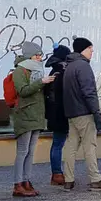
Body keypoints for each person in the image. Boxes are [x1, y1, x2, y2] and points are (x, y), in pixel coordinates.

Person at [61, 38, 101, 192]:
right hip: (84, 112)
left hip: (72, 112)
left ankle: (68, 179)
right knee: (89, 146)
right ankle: (95, 178)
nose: (92, 51)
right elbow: (89, 92)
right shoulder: (83, 67)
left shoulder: (69, 66)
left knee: (71, 146)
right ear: (83, 49)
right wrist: (96, 112)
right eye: (90, 48)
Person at [10, 41, 56, 198]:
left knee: (31, 151)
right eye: (37, 55)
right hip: (24, 115)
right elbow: (22, 91)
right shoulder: (20, 71)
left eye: (40, 55)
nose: (40, 58)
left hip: (36, 115)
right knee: (22, 151)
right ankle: (18, 184)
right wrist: (41, 82)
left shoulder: (37, 70)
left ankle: (26, 180)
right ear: (30, 56)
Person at [43, 45, 71, 185]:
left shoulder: (54, 71)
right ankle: (57, 173)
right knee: (59, 144)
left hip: (55, 113)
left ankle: (57, 173)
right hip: (62, 113)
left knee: (57, 143)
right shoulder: (62, 72)